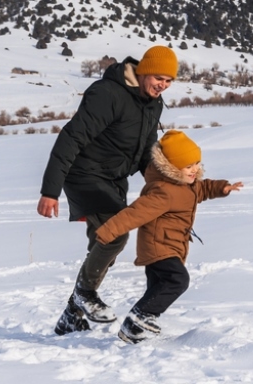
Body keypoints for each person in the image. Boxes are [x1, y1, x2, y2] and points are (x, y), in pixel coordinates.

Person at [37, 45, 178, 335]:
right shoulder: (108, 94)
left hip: (113, 179)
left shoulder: (153, 103)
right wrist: (50, 190)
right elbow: (71, 138)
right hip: (83, 173)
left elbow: (145, 152)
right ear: (143, 72)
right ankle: (84, 295)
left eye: (169, 80)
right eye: (158, 78)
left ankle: (71, 315)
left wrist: (168, 181)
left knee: (102, 251)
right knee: (116, 233)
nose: (162, 85)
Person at [93, 130, 242, 343]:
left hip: (170, 246)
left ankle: (136, 330)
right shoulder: (163, 191)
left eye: (197, 163)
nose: (195, 170)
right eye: (188, 166)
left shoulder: (188, 185)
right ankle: (136, 321)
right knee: (177, 280)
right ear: (171, 167)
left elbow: (203, 188)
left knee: (156, 289)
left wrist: (222, 188)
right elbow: (135, 213)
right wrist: (108, 231)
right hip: (159, 247)